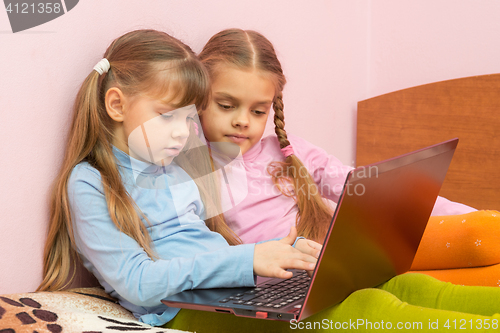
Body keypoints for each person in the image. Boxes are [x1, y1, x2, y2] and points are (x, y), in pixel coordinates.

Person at [163, 28, 500, 332]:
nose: (242, 121)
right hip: (271, 291)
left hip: (323, 274)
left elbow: (365, 188)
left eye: (257, 111)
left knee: (433, 270)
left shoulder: (287, 151)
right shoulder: (181, 167)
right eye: (226, 105)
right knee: (383, 302)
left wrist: (459, 212)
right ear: (200, 98)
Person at [36, 29, 320, 327]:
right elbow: (139, 283)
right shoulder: (90, 182)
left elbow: (205, 251)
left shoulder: (176, 169)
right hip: (183, 313)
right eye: (167, 115)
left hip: (230, 299)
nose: (183, 132)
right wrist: (246, 260)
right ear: (117, 105)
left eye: (188, 118)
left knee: (365, 293)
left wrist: (286, 250)